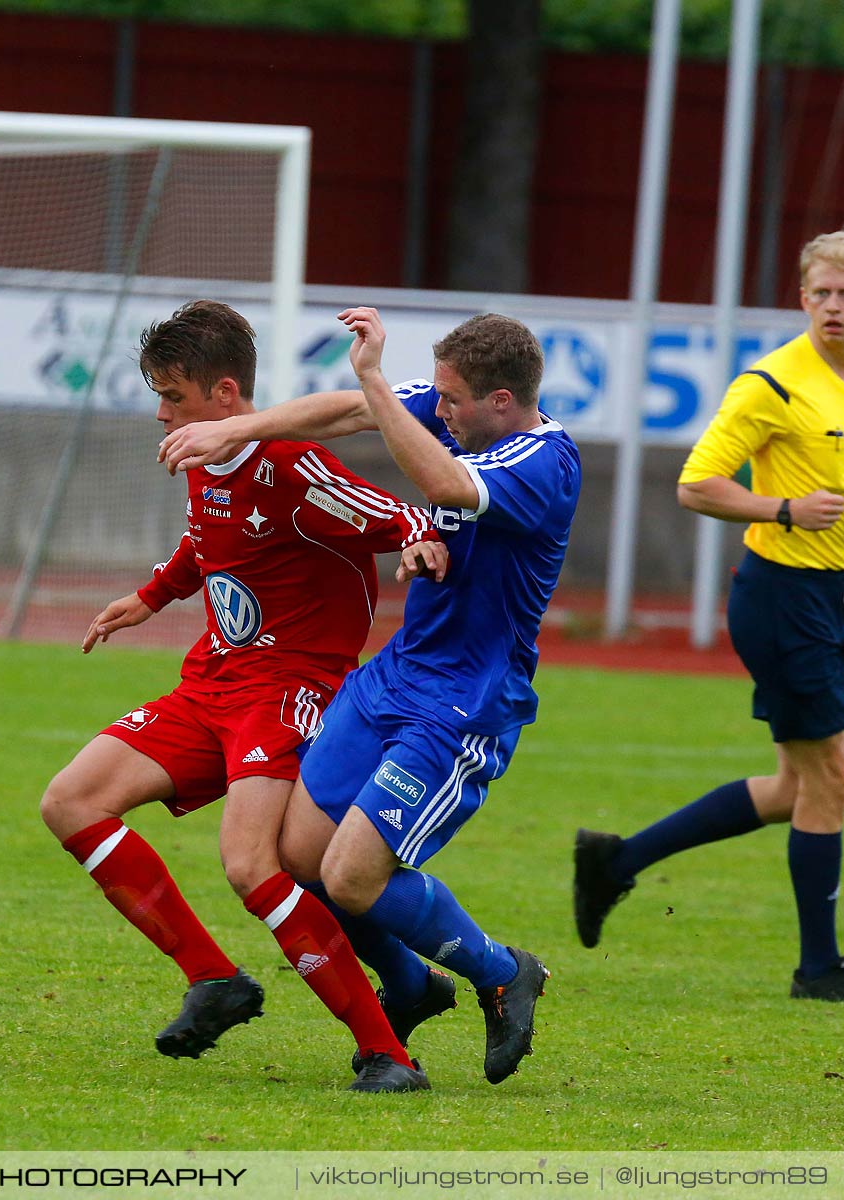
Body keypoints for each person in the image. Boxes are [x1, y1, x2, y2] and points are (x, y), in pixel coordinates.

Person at [161, 308, 580, 1085]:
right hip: (394, 675)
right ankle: (415, 984)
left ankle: (503, 971)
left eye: (450, 401)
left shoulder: (547, 463)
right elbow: (345, 411)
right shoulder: (460, 410)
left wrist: (376, 380)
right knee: (297, 856)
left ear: (500, 402)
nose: (440, 409)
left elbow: (446, 480)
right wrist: (235, 434)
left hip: (462, 704)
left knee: (353, 875)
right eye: (437, 398)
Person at [39, 300, 449, 1093]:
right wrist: (153, 598)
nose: (162, 413)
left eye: (175, 397)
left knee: (250, 862)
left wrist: (418, 541)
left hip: (288, 690)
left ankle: (385, 1054)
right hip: (213, 681)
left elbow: (393, 514)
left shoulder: (291, 465)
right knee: (71, 801)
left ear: (226, 395)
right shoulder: (202, 458)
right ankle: (214, 979)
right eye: (159, 395)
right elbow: (207, 538)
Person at [571, 229, 844, 1004]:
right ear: (803, 299)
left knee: (791, 788)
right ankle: (818, 971)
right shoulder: (769, 385)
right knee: (831, 778)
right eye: (820, 293)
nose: (833, 307)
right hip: (778, 594)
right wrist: (783, 508)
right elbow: (696, 484)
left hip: (822, 595)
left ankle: (615, 862)